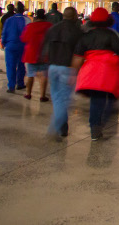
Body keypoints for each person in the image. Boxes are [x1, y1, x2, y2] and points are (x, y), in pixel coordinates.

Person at [72, 7, 119, 140]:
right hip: (109, 73)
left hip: (91, 74)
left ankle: (95, 127)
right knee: (111, 98)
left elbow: (78, 58)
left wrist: (73, 73)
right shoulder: (111, 35)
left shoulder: (86, 36)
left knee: (96, 101)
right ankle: (101, 123)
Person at [41, 7, 84, 139]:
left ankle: (63, 128)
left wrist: (43, 67)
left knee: (57, 99)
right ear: (75, 17)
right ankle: (54, 128)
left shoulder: (53, 29)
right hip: (68, 68)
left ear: (63, 16)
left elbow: (44, 48)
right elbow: (80, 53)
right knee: (63, 100)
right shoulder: (78, 32)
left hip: (53, 67)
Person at [20, 9, 51, 101]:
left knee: (30, 74)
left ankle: (28, 94)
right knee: (44, 75)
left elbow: (24, 38)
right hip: (45, 54)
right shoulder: (49, 26)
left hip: (32, 54)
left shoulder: (30, 26)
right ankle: (42, 96)